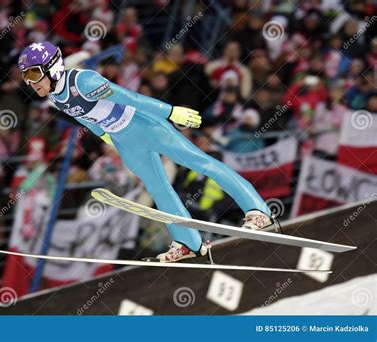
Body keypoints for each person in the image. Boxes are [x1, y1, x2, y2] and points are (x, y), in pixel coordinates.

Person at [17, 41, 274, 263]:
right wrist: (106, 137)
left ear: (53, 67)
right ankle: (188, 242)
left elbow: (130, 97)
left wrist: (171, 112)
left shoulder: (83, 81)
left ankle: (258, 211)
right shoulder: (54, 97)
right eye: (26, 76)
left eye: (33, 74)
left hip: (146, 125)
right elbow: (85, 118)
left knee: (201, 163)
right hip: (124, 140)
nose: (30, 82)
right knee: (158, 188)